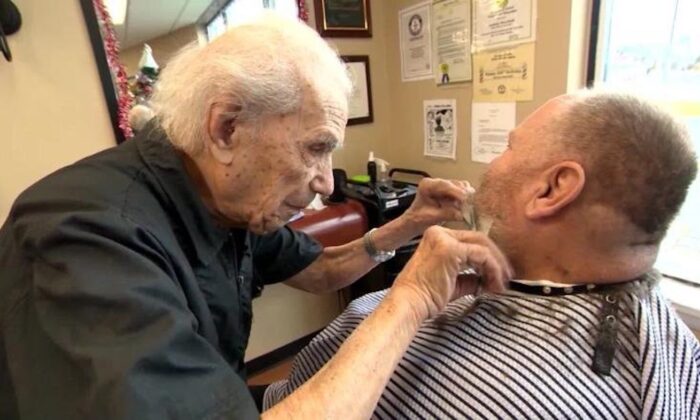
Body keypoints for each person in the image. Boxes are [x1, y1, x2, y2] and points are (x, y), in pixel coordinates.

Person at [0, 15, 513, 420]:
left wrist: (410, 223)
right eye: (316, 148)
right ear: (226, 129)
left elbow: (321, 270)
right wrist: (412, 298)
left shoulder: (220, 197)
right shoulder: (88, 237)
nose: (326, 183)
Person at [264, 91, 700, 418]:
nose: (492, 165)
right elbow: (319, 270)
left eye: (509, 147)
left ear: (552, 189)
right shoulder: (675, 353)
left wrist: (407, 299)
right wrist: (408, 225)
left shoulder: (379, 320)